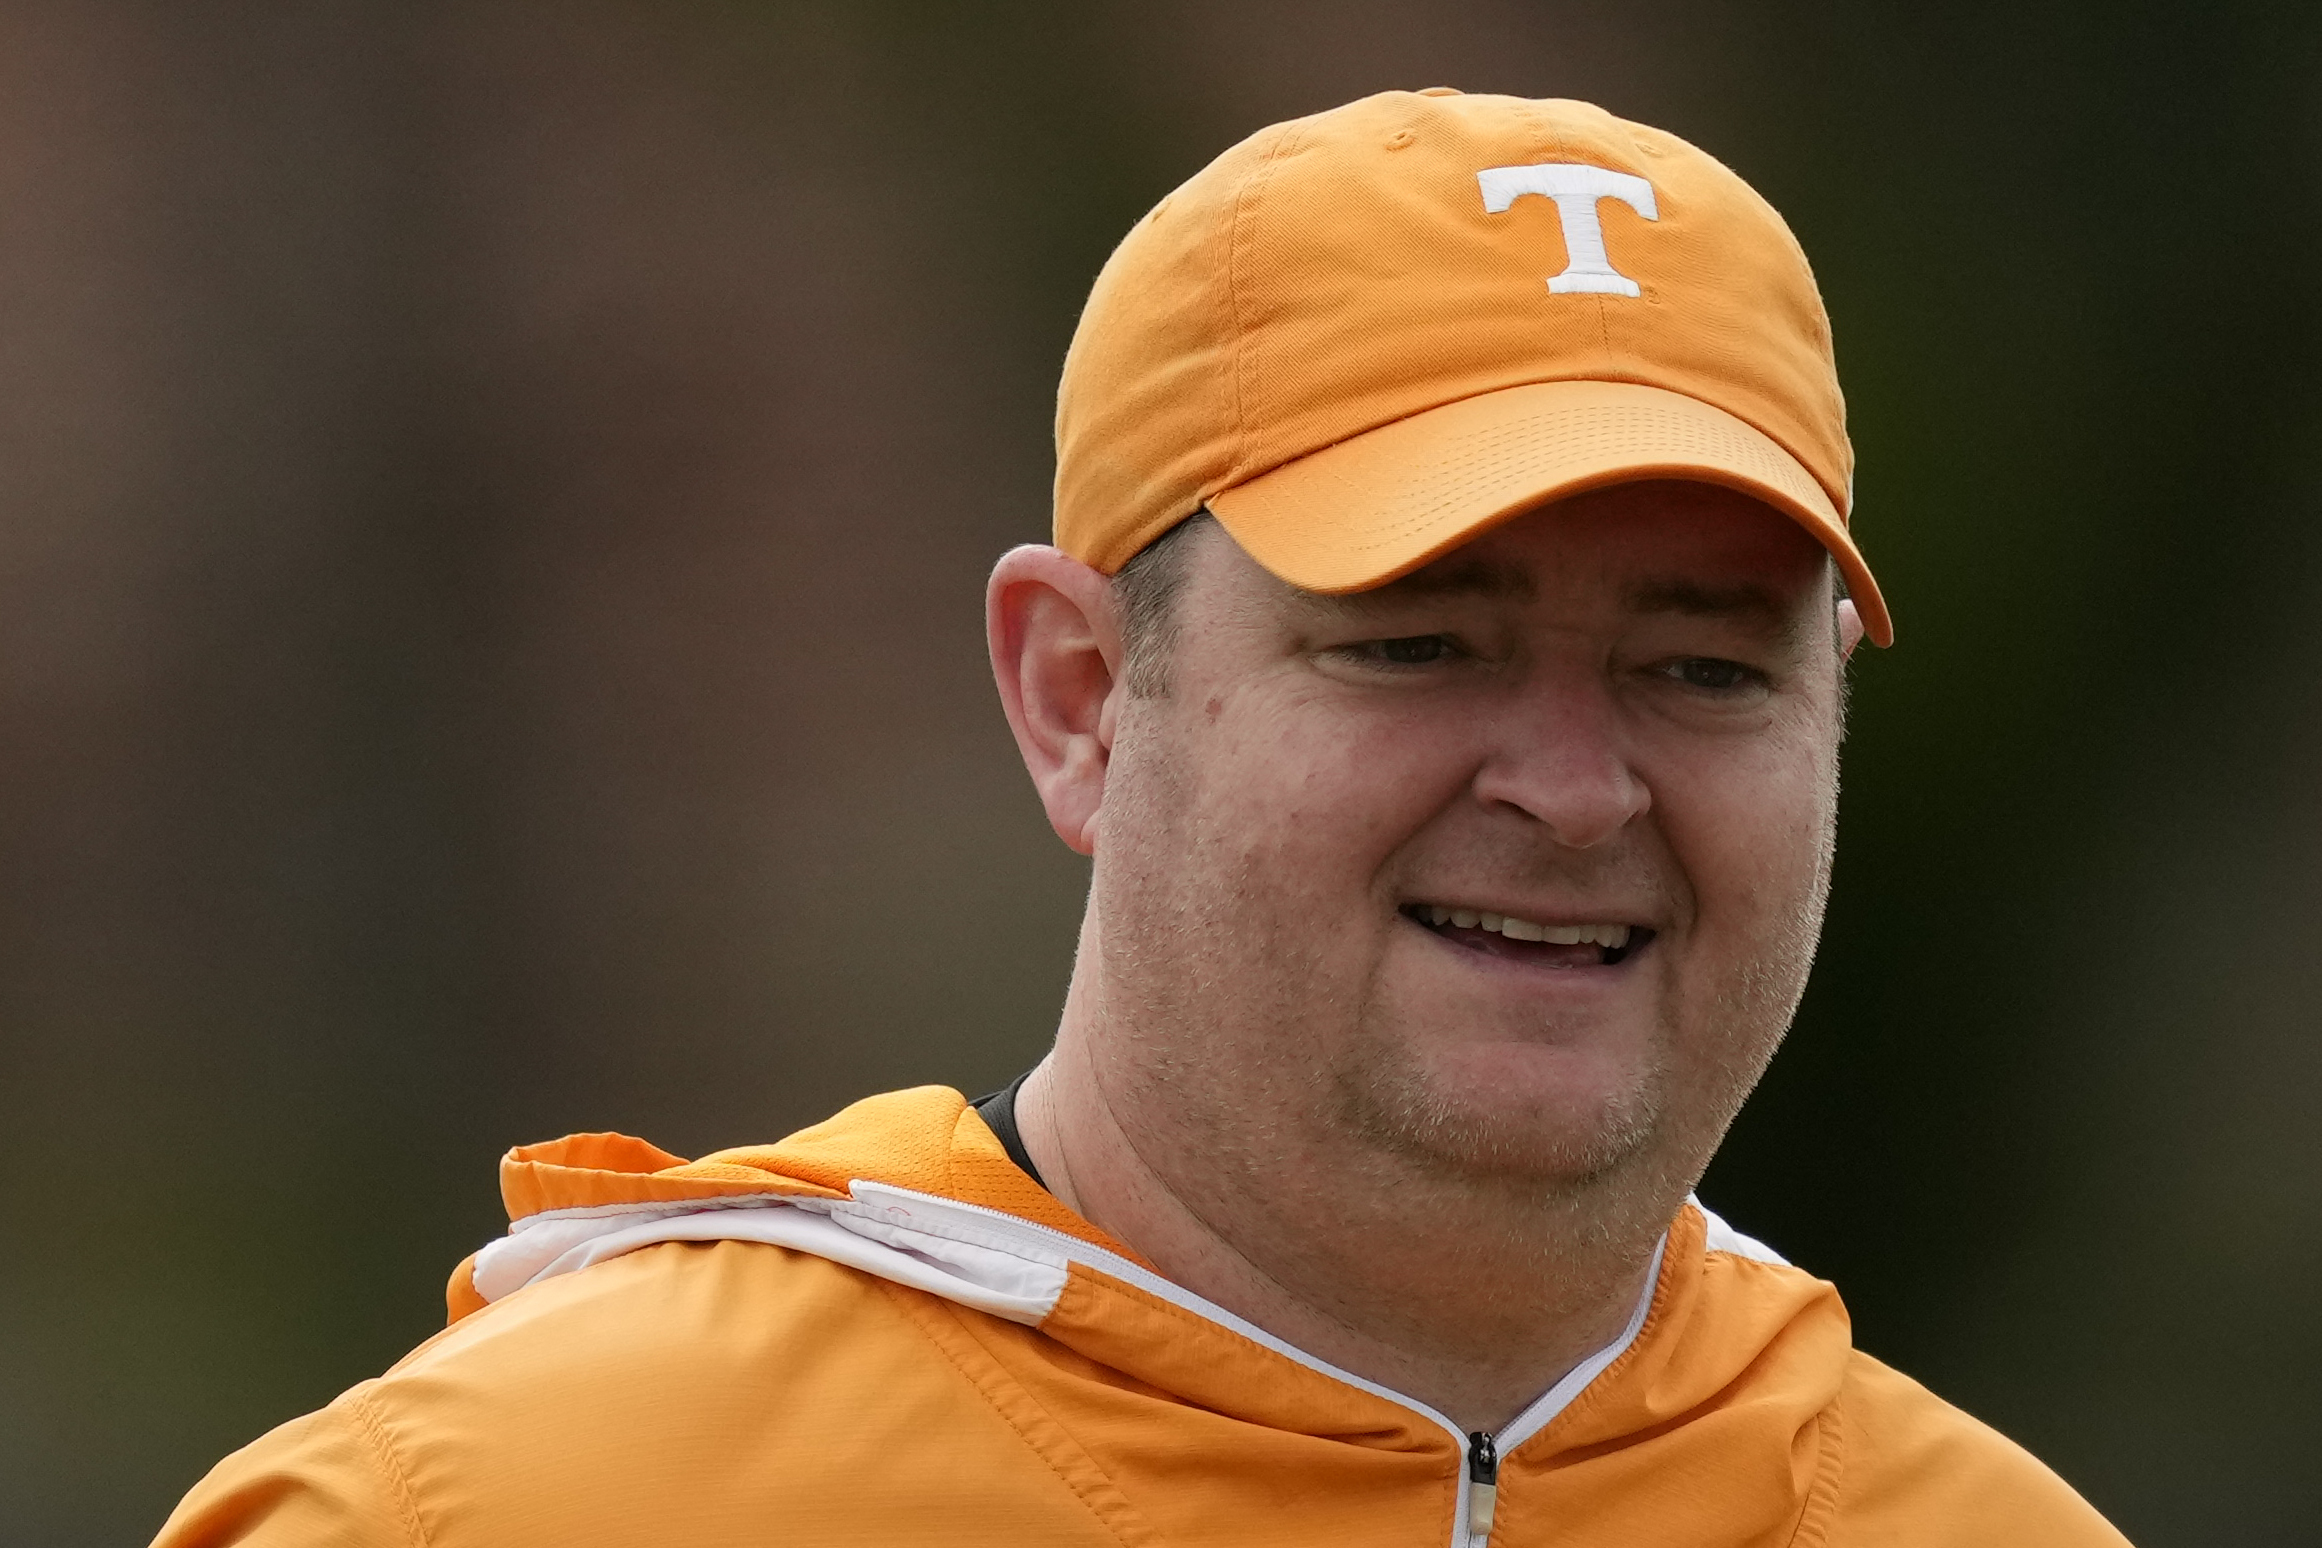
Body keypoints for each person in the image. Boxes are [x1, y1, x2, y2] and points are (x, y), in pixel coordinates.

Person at [153, 89, 2127, 1547]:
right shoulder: (512, 1513)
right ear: (1081, 698)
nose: (1572, 785)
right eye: (1419, 646)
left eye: (1705, 671)